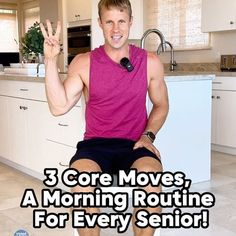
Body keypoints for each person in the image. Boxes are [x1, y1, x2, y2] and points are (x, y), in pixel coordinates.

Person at [40, 0, 169, 235]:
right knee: (80, 183)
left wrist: (148, 136)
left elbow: (161, 105)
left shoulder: (149, 62)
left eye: (121, 21)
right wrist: (50, 60)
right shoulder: (83, 62)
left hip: (135, 145)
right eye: (109, 22)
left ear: (131, 22)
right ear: (100, 23)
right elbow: (58, 107)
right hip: (95, 146)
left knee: (150, 181)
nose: (116, 29)